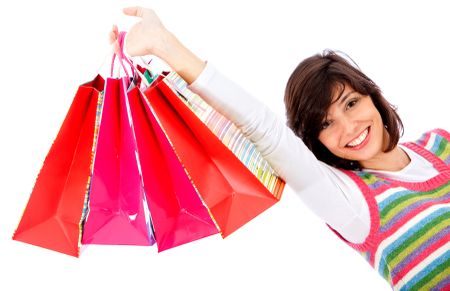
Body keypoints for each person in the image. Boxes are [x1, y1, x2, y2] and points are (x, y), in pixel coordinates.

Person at [110, 6, 450, 291]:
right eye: (325, 124)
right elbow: (264, 128)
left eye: (351, 103)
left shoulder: (440, 143)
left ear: (373, 96)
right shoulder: (352, 202)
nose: (349, 128)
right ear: (315, 141)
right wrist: (165, 45)